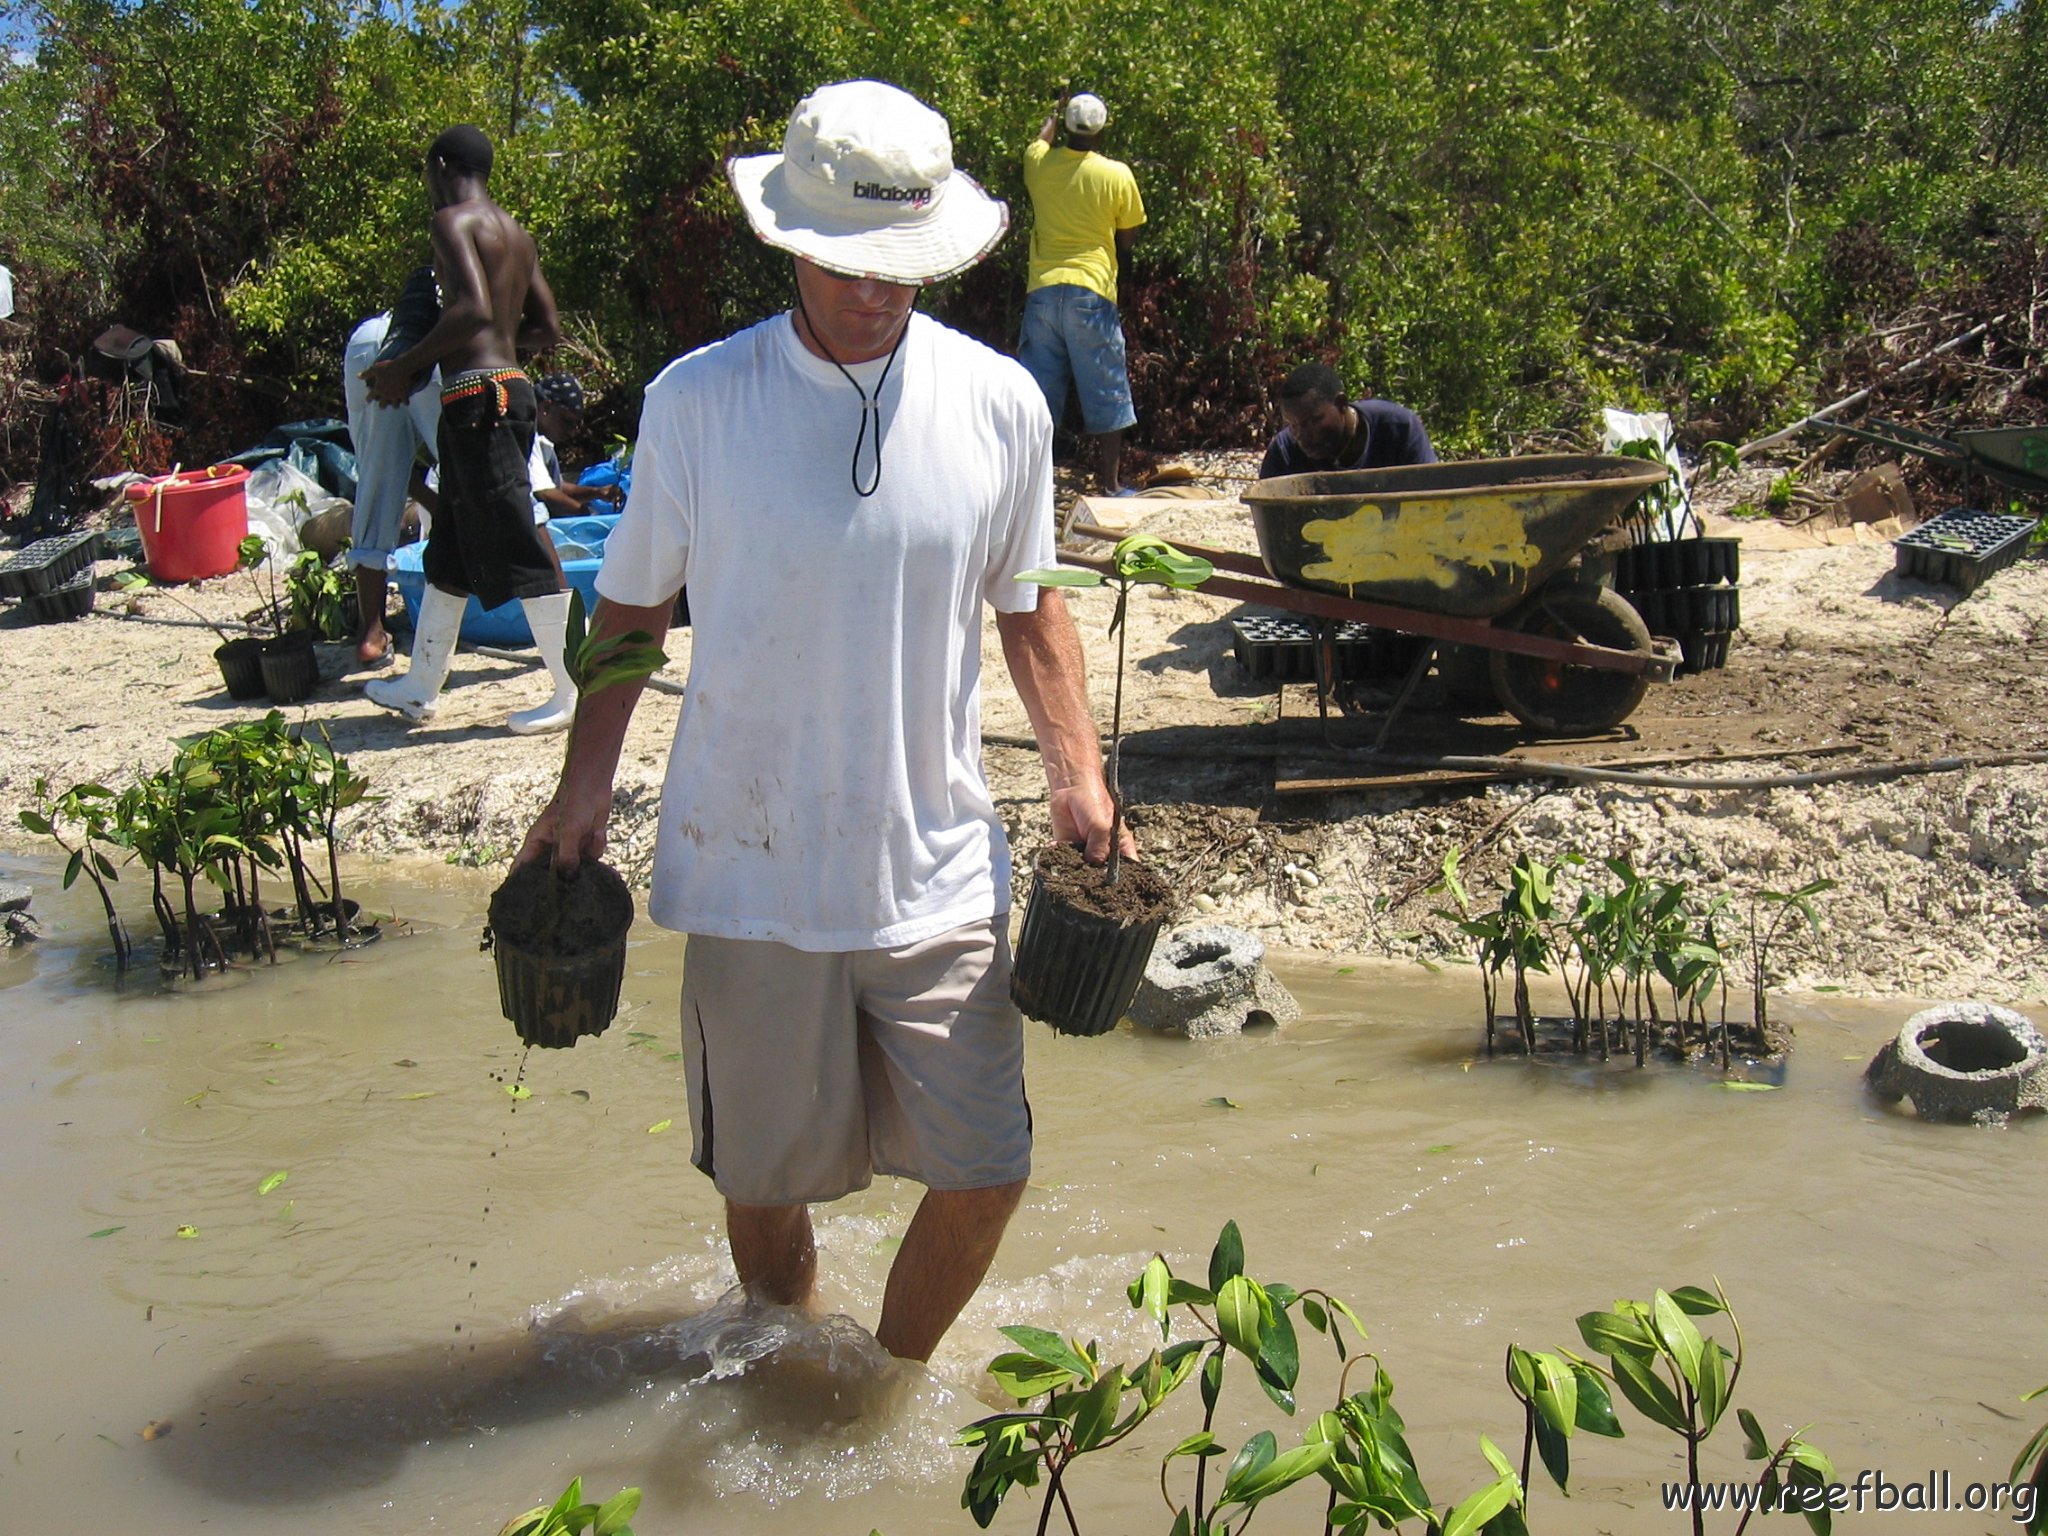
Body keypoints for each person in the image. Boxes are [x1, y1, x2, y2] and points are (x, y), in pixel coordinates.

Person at [516, 79, 1126, 1364]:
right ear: (792, 239)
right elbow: (630, 604)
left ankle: (884, 1382)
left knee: (987, 1168)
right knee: (762, 1186)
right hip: (749, 865)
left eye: (901, 265)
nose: (878, 291)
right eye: (851, 264)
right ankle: (793, 1359)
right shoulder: (696, 400)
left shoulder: (1002, 402)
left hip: (938, 863)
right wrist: (582, 789)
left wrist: (1076, 773)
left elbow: (1030, 608)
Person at [359, 124, 577, 735]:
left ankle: (572, 688)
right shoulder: (515, 233)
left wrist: (406, 365)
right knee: (449, 546)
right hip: (505, 392)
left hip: (478, 399)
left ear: (440, 166)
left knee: (519, 539)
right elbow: (544, 327)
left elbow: (471, 310)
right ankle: (421, 686)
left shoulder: (452, 223)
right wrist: (498, 346)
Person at [1017, 91, 1145, 496]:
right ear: (1103, 129)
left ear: (1066, 128)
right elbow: (1127, 240)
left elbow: (1039, 139)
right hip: (1091, 289)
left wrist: (1052, 112)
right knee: (1106, 387)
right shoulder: (1117, 174)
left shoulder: (1038, 164)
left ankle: (1032, 486)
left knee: (1038, 396)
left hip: (1043, 290)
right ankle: (1109, 484)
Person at [341, 265, 442, 665]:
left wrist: (431, 501)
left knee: (376, 479)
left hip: (370, 340)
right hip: (431, 345)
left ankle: (371, 632)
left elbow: (390, 468)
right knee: (468, 471)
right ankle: (466, 613)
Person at [1258, 362, 1437, 480]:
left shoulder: (1399, 429)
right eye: (1293, 425)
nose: (1302, 435)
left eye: (1313, 421)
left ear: (1341, 404)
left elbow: (1430, 498)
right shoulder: (1284, 453)